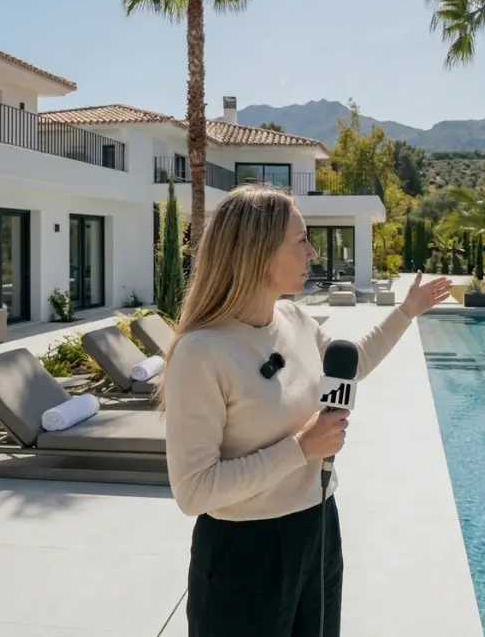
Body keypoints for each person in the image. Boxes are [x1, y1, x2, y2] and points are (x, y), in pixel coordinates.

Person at [161, 184, 451, 637]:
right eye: (300, 240)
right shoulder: (201, 352)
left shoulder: (293, 319)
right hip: (245, 555)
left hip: (318, 528)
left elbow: (350, 365)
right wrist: (301, 448)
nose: (312, 252)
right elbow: (194, 492)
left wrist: (406, 312)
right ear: (258, 253)